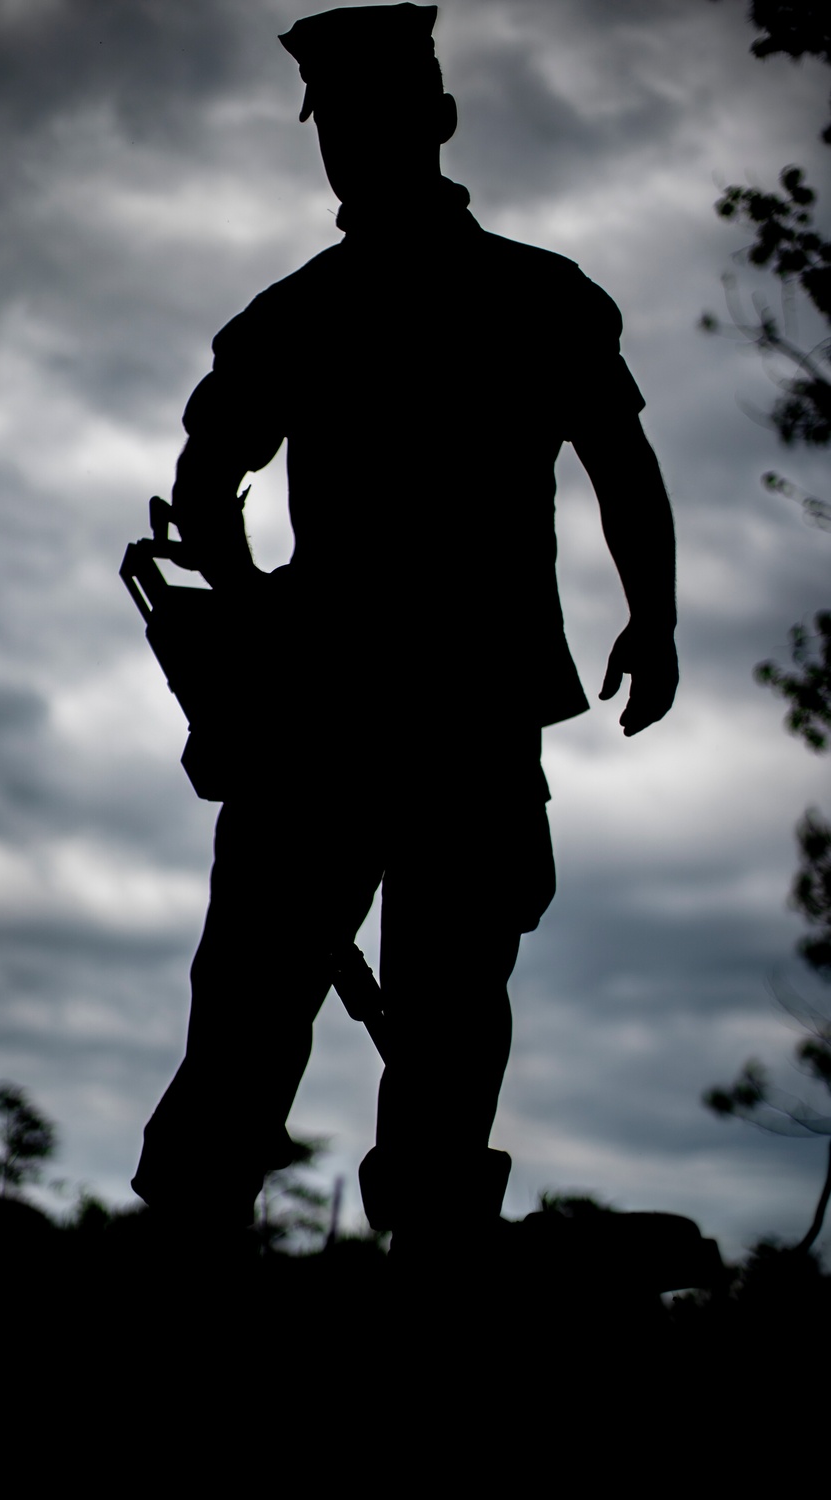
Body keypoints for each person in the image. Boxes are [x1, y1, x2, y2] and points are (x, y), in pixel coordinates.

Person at [131, 3, 678, 1250]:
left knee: (428, 1007)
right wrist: (255, 605)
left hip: (436, 717)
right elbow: (204, 484)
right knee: (276, 1005)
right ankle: (213, 1243)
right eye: (336, 128)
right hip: (360, 715)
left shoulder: (500, 300)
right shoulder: (355, 308)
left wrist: (654, 616)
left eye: (370, 120)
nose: (349, 148)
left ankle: (402, 1246)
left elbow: (622, 467)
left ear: (433, 119)